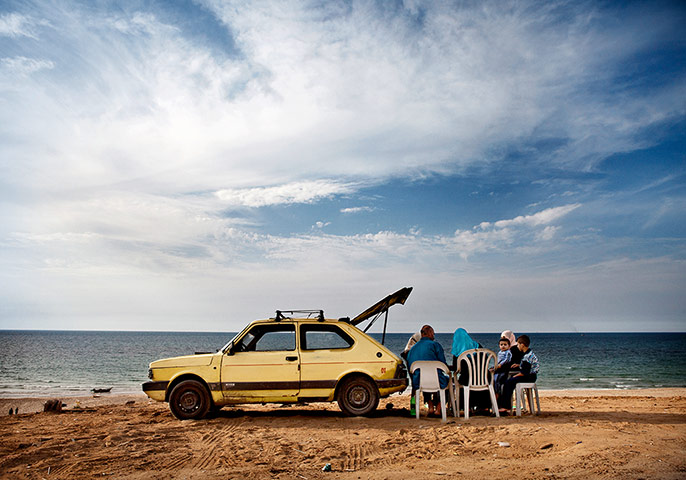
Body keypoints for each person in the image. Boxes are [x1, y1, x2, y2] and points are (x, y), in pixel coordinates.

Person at [406, 325, 449, 417]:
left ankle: (430, 407)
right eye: (433, 334)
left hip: (419, 381)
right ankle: (438, 408)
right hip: (437, 380)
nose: (434, 336)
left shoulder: (412, 349)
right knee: (448, 382)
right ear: (429, 333)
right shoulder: (435, 345)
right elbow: (443, 364)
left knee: (424, 379)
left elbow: (410, 367)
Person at [498, 334, 540, 414]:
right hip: (531, 376)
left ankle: (505, 407)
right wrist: (519, 365)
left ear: (522, 345)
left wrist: (515, 376)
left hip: (529, 377)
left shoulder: (526, 356)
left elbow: (524, 372)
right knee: (510, 381)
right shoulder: (529, 353)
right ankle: (505, 406)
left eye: (518, 344)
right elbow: (527, 366)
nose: (517, 346)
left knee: (508, 382)